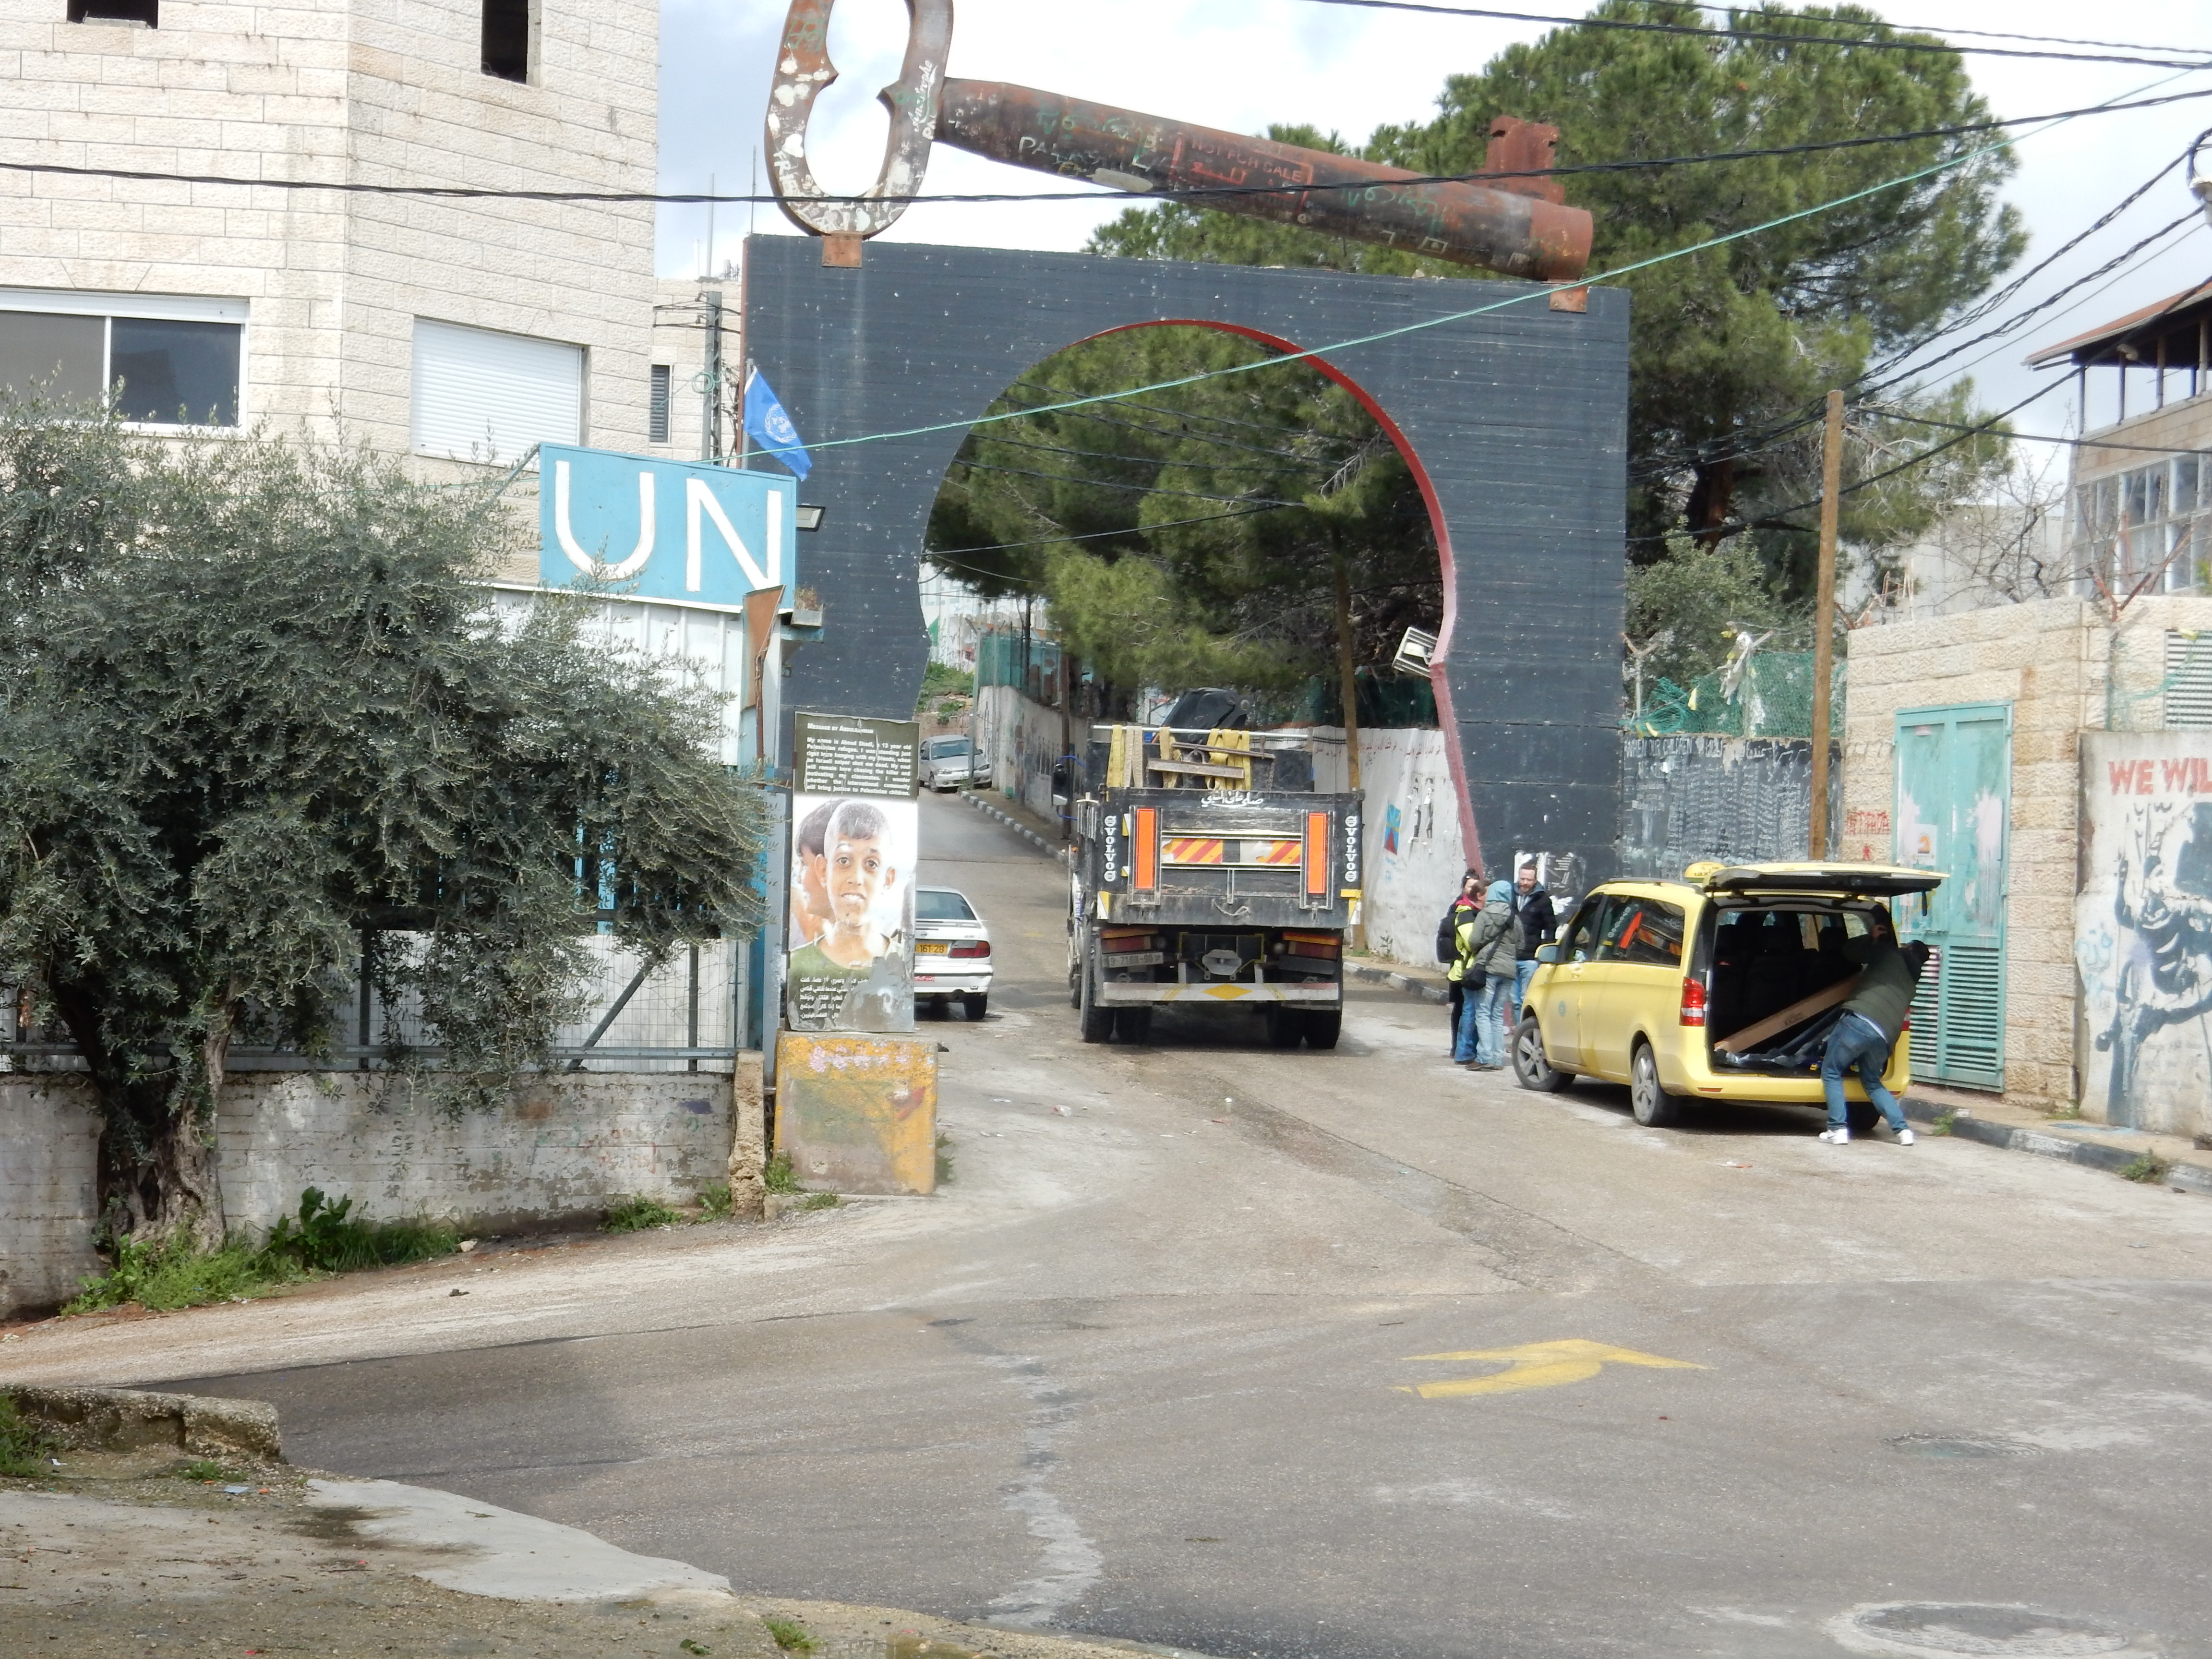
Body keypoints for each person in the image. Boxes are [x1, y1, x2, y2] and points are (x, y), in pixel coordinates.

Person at [1816, 910, 1931, 1145]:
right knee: (1871, 1081)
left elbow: (1850, 952)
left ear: (1908, 949)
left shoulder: (1890, 955)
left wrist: (1871, 938)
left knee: (1831, 1071)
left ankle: (1837, 1128)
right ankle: (1903, 1131)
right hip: (1885, 1037)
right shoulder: (1911, 983)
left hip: (1860, 1021)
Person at [1453, 880, 1519, 1070]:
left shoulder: (1485, 914)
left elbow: (1473, 941)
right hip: (1508, 970)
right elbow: (1521, 944)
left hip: (1488, 969)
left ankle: (1485, 1057)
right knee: (1498, 1015)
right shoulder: (1515, 917)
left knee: (1483, 1013)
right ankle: (1498, 1059)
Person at [1437, 870, 1483, 1056]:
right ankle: (1457, 1045)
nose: (1473, 889)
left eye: (1476, 886)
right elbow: (1449, 935)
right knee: (1460, 1007)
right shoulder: (1457, 908)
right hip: (1459, 965)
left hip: (1474, 966)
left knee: (1473, 1009)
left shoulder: (1482, 910)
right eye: (1470, 886)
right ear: (1464, 888)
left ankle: (1470, 1047)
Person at [1509, 860, 1556, 1025]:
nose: (1525, 883)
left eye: (1529, 880)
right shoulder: (1510, 896)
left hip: (1530, 958)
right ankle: (1519, 1033)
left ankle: (1527, 1034)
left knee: (1525, 998)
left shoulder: (1543, 900)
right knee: (1514, 1000)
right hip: (1509, 956)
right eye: (1522, 879)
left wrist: (1546, 952)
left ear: (1535, 880)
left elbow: (1551, 927)